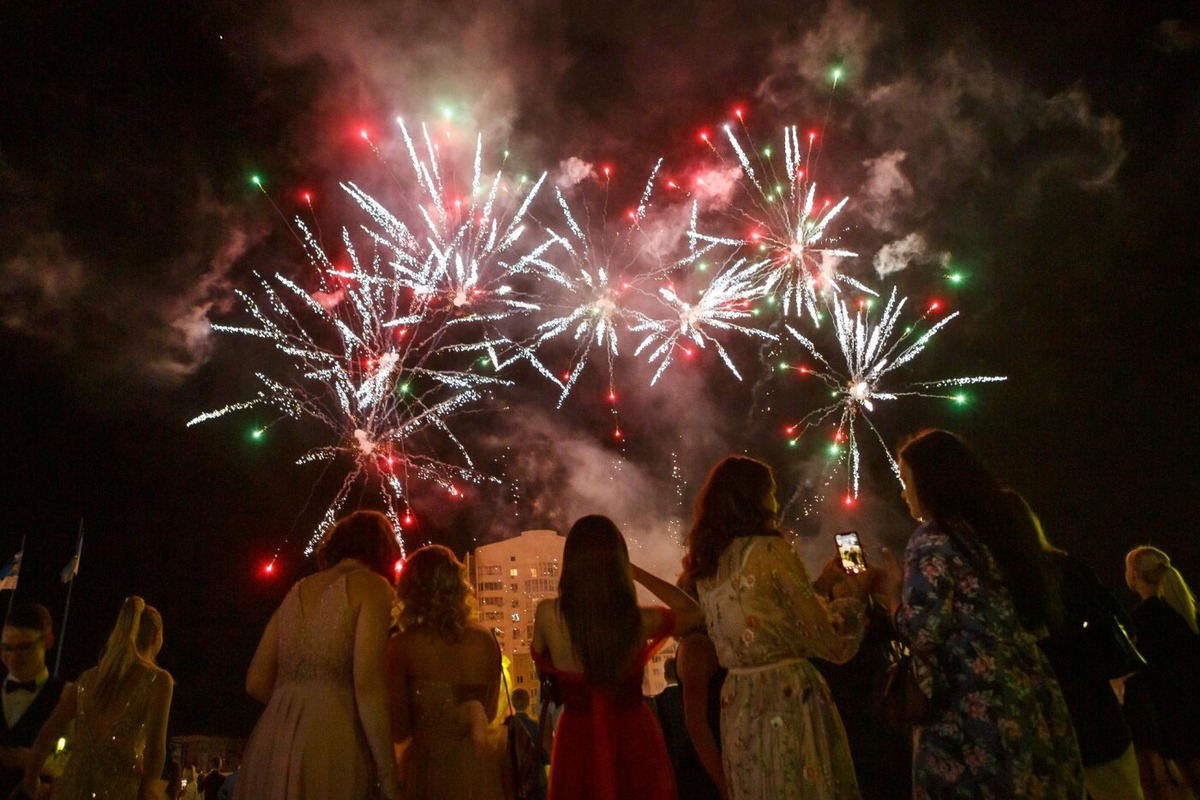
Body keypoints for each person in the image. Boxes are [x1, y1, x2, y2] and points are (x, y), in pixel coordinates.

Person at [878, 429, 1084, 799]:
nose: (903, 492)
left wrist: (891, 594)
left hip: (972, 709)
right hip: (1029, 693)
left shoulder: (933, 538)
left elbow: (923, 631)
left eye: (906, 480)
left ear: (930, 481)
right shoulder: (998, 528)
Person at [680, 455, 868, 800]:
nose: (776, 502)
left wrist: (818, 586)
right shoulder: (771, 550)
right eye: (771, 492)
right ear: (756, 498)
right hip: (788, 695)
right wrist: (855, 598)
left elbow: (760, 615)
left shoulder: (708, 566)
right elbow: (827, 639)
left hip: (738, 703)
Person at [532, 515, 703, 800]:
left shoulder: (549, 614)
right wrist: (635, 571)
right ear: (619, 561)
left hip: (577, 737)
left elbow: (540, 655)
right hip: (631, 732)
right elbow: (693, 612)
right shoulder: (634, 620)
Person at [236, 510, 400, 800]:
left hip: (273, 737)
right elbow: (367, 684)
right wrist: (388, 773)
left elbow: (255, 682)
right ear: (383, 550)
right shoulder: (373, 587)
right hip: (333, 735)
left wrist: (296, 702)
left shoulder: (295, 590)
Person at [23, 596, 174, 799]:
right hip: (121, 790)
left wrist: (31, 779)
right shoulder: (158, 680)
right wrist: (147, 789)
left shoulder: (87, 679)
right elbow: (155, 750)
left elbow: (47, 733)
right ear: (156, 637)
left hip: (70, 790)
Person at [385, 544, 504, 800]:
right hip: (479, 769)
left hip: (428, 771)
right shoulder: (486, 641)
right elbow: (490, 712)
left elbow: (400, 729)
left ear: (410, 590)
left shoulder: (402, 646)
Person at [1125, 546, 1200, 791]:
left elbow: (1143, 670)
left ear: (1134, 575)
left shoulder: (1143, 620)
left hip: (1173, 716)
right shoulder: (1179, 613)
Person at [0, 604, 69, 798]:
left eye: (24, 648)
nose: (13, 658)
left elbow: (75, 760)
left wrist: (33, 761)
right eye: (6, 648)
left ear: (48, 640)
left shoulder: (67, 694)